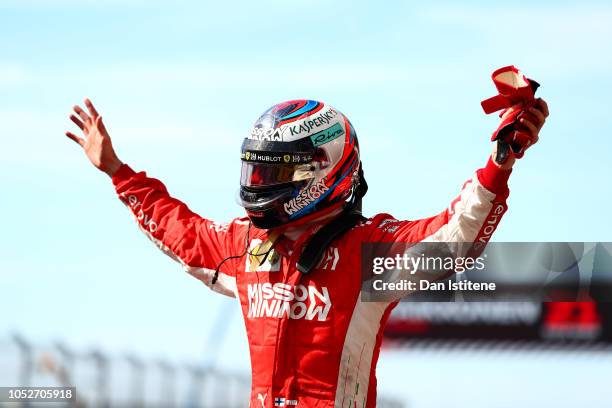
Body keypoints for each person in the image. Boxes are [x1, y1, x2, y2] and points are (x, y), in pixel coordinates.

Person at [65, 97, 548, 407]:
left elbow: (453, 236)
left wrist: (500, 161)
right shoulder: (247, 245)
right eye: (256, 171)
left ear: (322, 172)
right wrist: (116, 171)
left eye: (273, 174)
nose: (259, 185)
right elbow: (181, 231)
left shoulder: (369, 252)